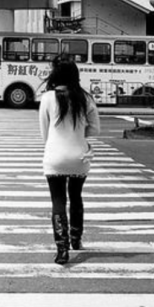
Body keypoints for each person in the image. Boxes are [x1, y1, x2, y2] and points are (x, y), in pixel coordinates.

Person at [37, 57, 100, 266]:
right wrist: (79, 134)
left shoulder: (47, 98)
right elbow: (96, 129)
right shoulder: (86, 98)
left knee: (58, 201)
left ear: (56, 75)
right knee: (76, 196)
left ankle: (61, 249)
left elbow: (44, 133)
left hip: (55, 157)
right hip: (79, 158)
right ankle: (76, 239)